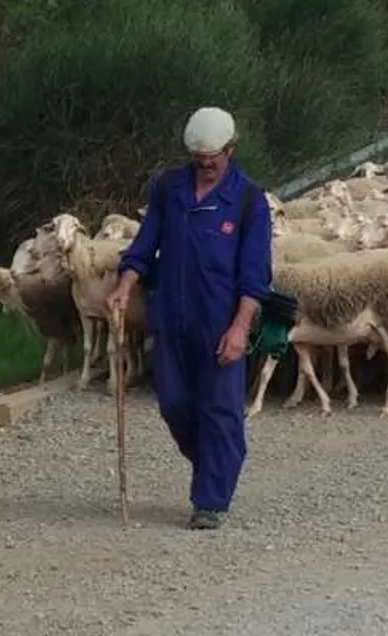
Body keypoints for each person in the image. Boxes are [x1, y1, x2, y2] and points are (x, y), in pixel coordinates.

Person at [108, 106, 274, 530]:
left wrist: (240, 328)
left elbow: (255, 275)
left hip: (220, 321)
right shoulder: (169, 188)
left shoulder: (249, 200)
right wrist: (125, 286)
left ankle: (210, 500)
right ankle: (217, 461)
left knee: (220, 410)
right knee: (174, 403)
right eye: (198, 159)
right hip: (172, 318)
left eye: (213, 159)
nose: (205, 166)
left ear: (231, 150)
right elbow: (146, 244)